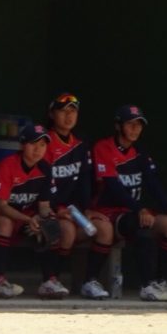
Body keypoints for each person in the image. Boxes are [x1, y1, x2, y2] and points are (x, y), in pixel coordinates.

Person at [92, 105, 167, 302]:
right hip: (108, 212)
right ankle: (146, 286)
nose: (135, 129)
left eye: (139, 125)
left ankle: (160, 281)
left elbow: (153, 184)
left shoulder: (140, 152)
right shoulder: (103, 147)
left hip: (133, 212)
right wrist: (139, 209)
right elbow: (113, 188)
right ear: (118, 126)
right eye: (130, 124)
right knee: (141, 222)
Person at [44, 92, 114, 300]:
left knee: (104, 228)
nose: (69, 116)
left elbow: (85, 182)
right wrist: (57, 209)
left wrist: (87, 209)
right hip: (49, 208)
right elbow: (43, 184)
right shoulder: (44, 142)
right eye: (63, 111)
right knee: (66, 230)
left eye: (73, 111)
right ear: (52, 114)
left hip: (74, 210)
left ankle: (89, 281)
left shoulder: (81, 145)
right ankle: (51, 280)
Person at [0, 122, 63, 300]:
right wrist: (29, 220)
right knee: (5, 223)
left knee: (50, 223)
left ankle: (49, 281)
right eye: (33, 143)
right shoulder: (7, 165)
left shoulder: (45, 168)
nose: (38, 149)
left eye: (42, 145)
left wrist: (43, 218)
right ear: (22, 145)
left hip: (24, 215)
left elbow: (44, 205)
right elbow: (1, 206)